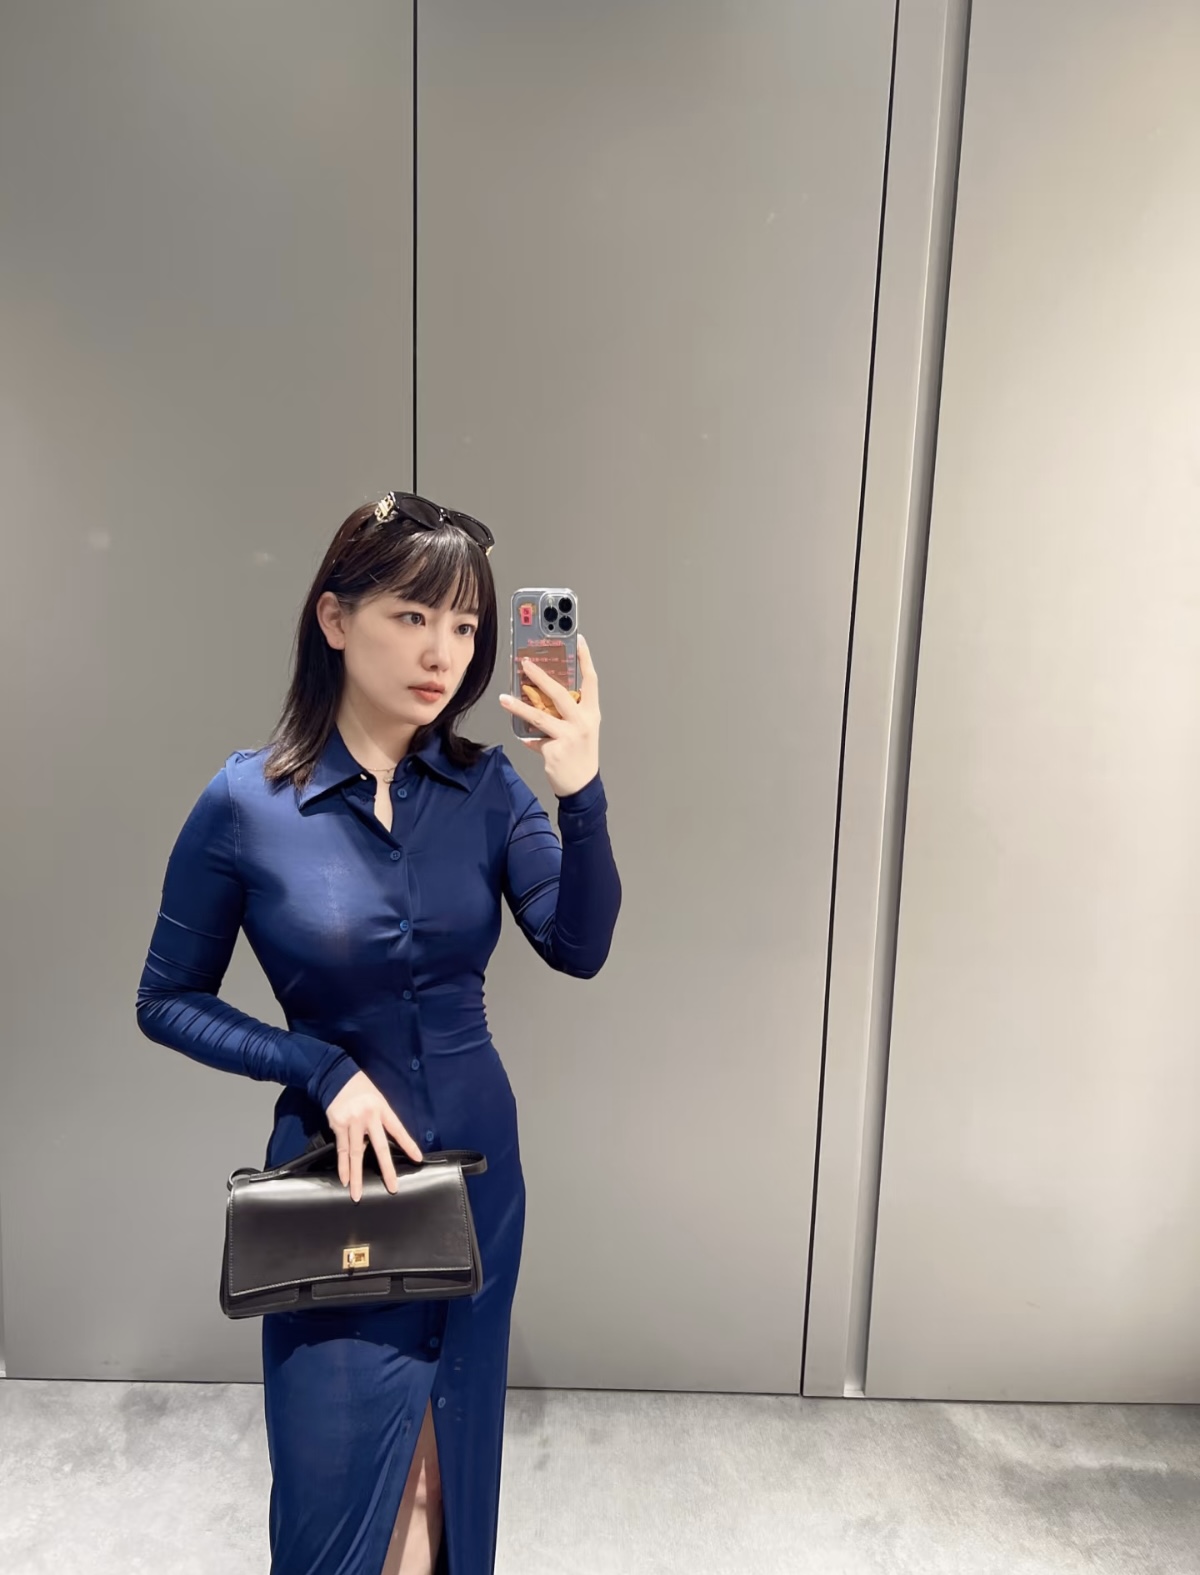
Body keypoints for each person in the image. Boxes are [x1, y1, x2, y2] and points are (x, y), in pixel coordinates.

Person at [135, 491, 622, 1575]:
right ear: (335, 618)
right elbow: (165, 997)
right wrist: (318, 1064)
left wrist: (580, 790)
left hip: (479, 1182)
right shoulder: (246, 803)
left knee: (445, 1484)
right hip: (338, 1186)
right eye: (412, 616)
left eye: (465, 626)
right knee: (338, 1497)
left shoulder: (490, 790)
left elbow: (579, 944)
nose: (443, 652)